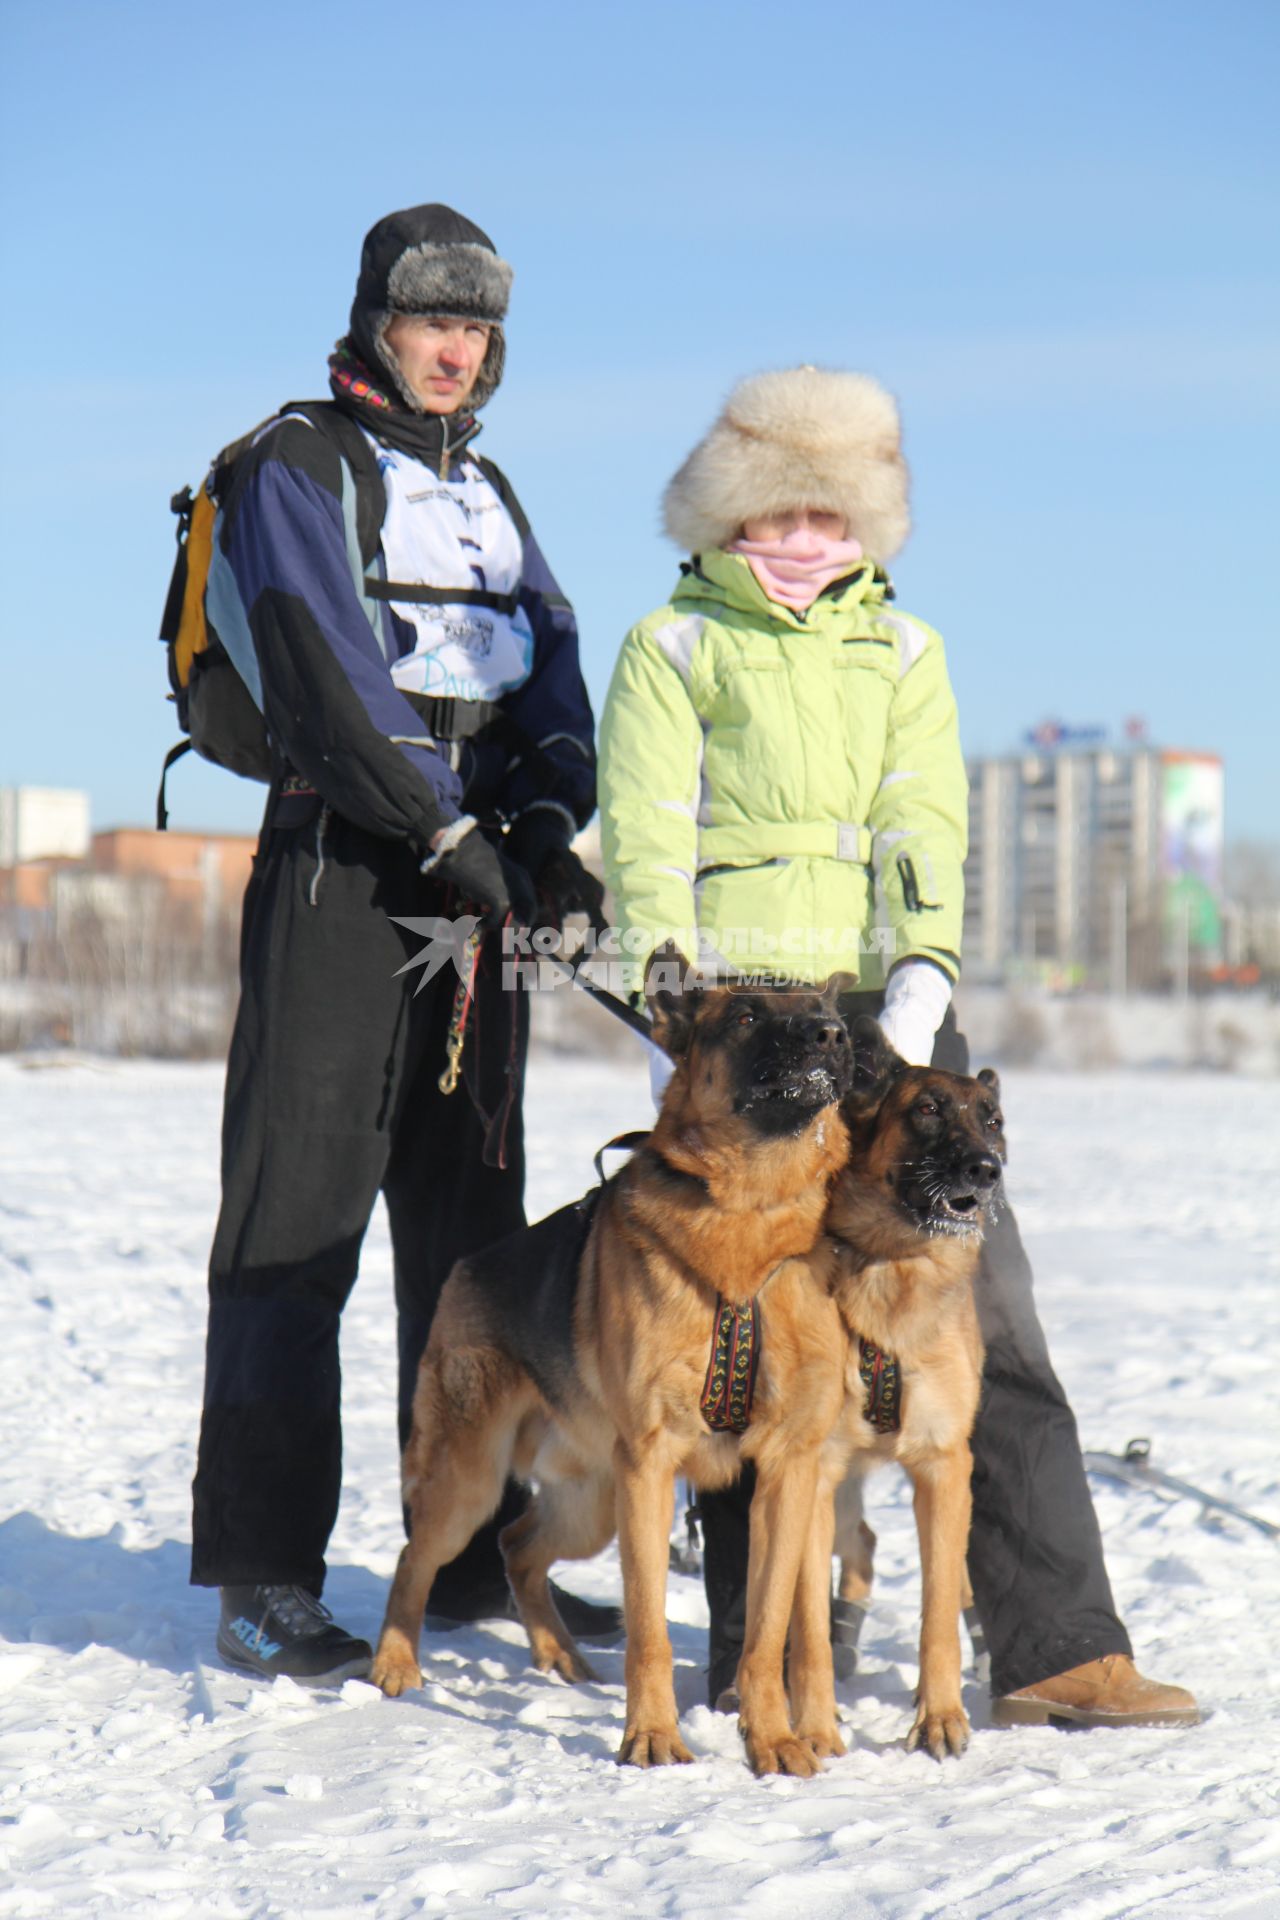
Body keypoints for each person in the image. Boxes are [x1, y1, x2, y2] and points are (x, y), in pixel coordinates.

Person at [597, 366, 1199, 1729]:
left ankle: (1055, 1648)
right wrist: (671, 1020)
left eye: (832, 505)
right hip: (745, 1028)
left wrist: (918, 995)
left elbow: (929, 821)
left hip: (887, 1016)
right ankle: (771, 1660)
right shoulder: (672, 645)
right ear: (727, 508)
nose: (805, 531)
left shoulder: (908, 651)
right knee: (749, 1331)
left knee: (982, 1310)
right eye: (777, 505)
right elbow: (646, 837)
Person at [190, 202, 618, 1681]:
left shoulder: (493, 493)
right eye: (431, 319)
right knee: (293, 1231)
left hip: (476, 887)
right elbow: (319, 664)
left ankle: (474, 1560)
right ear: (377, 320)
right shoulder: (298, 463)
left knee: (475, 1255)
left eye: (478, 327)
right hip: (343, 876)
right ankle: (263, 1575)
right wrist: (447, 834)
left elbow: (554, 661)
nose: (454, 348)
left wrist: (550, 825)